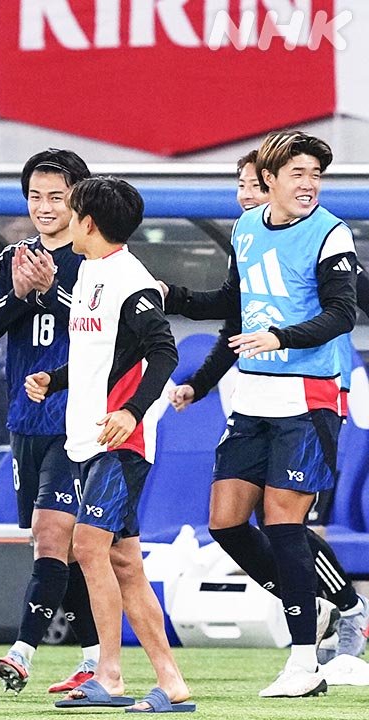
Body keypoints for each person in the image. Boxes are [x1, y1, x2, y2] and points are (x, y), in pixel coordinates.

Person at [162, 132, 360, 697]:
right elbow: (234, 305)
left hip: (308, 396)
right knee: (225, 522)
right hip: (252, 397)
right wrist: (172, 296)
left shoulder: (331, 233)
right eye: (298, 173)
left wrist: (279, 336)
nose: (310, 183)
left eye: (316, 174)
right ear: (270, 180)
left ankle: (303, 662)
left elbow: (342, 313)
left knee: (284, 524)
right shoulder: (246, 229)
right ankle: (317, 608)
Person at [25, 176, 191, 713]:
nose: (64, 220)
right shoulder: (90, 272)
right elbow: (102, 356)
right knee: (125, 562)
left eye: (71, 212)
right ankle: (170, 682)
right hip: (89, 438)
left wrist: (131, 411)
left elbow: (164, 353)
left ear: (88, 222)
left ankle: (110, 676)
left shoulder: (130, 280)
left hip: (122, 440)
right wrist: (55, 379)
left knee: (88, 546)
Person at [0, 149, 101, 694]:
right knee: (57, 547)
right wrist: (22, 294)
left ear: (79, 200)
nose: (44, 207)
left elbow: (102, 330)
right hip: (24, 419)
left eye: (56, 197)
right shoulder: (13, 257)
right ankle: (94, 660)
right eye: (35, 196)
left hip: (76, 421)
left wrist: (52, 291)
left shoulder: (95, 258)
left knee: (53, 537)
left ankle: (21, 652)